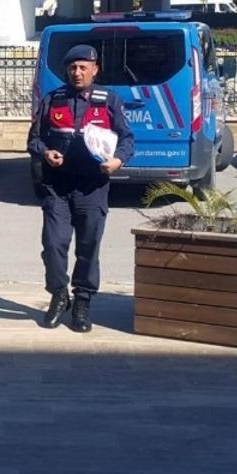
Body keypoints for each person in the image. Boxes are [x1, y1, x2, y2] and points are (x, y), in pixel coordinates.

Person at [27, 44, 135, 333]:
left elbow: (127, 139)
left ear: (94, 69)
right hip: (58, 187)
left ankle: (83, 300)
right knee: (53, 244)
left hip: (92, 187)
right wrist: (45, 152)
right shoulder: (53, 99)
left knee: (88, 248)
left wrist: (118, 160)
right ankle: (59, 294)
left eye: (83, 67)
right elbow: (34, 139)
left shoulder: (109, 101)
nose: (77, 72)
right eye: (73, 67)